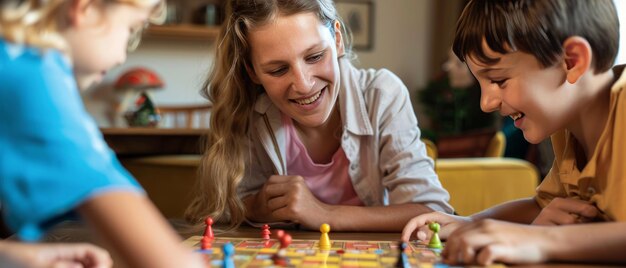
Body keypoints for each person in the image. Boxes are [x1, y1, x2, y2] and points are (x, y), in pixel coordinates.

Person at [185, 0, 452, 232]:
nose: (302, 85)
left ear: (337, 40)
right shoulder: (249, 112)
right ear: (253, 71)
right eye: (277, 70)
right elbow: (216, 209)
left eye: (314, 56)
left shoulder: (382, 95)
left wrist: (324, 214)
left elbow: (431, 212)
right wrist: (256, 208)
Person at [402, 0, 626, 265]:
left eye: (498, 80)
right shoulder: (567, 127)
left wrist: (540, 240)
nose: (486, 103)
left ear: (571, 60)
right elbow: (543, 205)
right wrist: (471, 223)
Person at [0, 1, 203, 267]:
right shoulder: (32, 77)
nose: (122, 56)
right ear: (85, 8)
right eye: (130, 28)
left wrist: (15, 257)